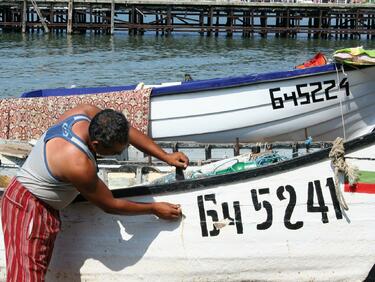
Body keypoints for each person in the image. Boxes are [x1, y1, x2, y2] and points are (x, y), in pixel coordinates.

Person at [1, 104, 189, 281]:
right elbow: (110, 204)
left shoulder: (87, 113)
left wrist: (165, 156)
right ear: (97, 145)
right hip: (28, 208)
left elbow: (129, 133)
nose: (121, 152)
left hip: (40, 203)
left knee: (37, 269)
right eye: (116, 152)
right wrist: (154, 209)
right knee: (26, 276)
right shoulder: (78, 163)